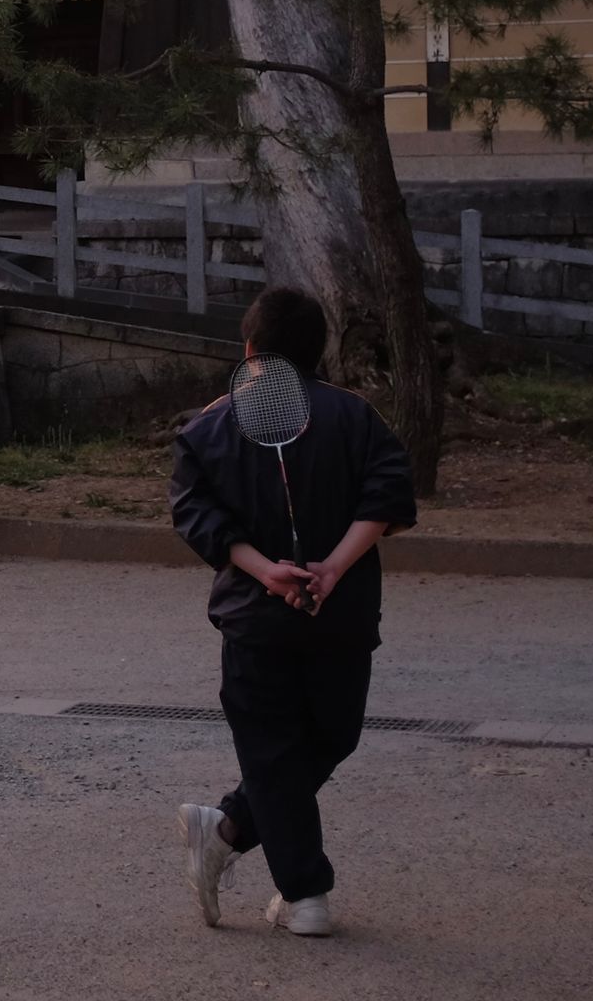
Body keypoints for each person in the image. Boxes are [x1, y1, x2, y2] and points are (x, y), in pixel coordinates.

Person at [168, 286, 417, 941]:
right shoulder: (353, 417)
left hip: (292, 615)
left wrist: (317, 567)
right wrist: (292, 570)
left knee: (317, 742)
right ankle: (305, 894)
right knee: (295, 747)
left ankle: (223, 828)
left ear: (250, 351)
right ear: (320, 350)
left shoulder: (214, 426)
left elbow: (196, 515)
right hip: (301, 616)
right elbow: (389, 494)